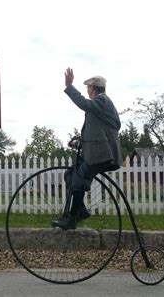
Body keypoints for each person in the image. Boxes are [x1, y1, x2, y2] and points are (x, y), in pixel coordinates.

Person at [52, 68, 122, 230]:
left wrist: (69, 86)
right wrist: (78, 144)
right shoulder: (99, 107)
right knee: (70, 174)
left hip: (103, 155)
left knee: (80, 178)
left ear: (93, 89)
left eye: (88, 88)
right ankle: (81, 210)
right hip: (97, 153)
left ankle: (71, 219)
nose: (87, 91)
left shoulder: (102, 100)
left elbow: (84, 104)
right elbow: (97, 135)